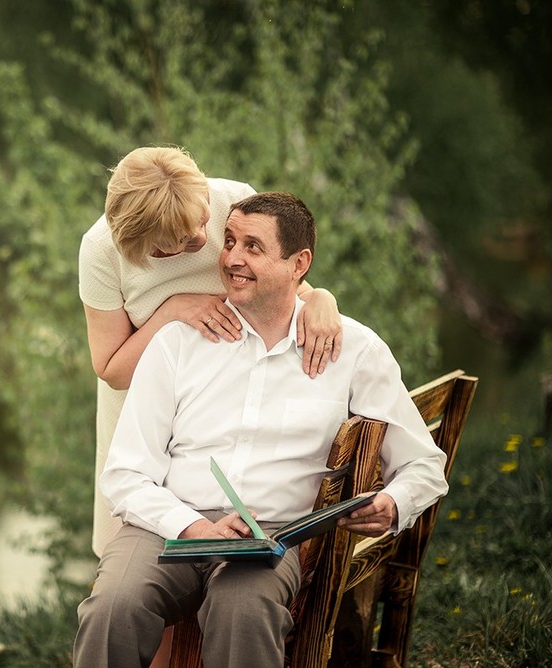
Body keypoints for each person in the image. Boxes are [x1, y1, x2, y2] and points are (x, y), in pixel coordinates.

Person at [73, 192, 449, 668]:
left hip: (271, 538)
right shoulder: (177, 341)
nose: (231, 257)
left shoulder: (354, 350)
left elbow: (424, 464)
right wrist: (195, 528)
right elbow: (125, 473)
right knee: (112, 607)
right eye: (228, 241)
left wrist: (394, 504)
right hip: (167, 527)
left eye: (253, 246)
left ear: (299, 263)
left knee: (242, 611)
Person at [79, 146, 343, 559]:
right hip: (145, 414)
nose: (204, 240)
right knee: (142, 555)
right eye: (181, 243)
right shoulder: (100, 251)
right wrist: (172, 310)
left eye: (203, 221)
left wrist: (323, 298)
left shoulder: (231, 200)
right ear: (142, 245)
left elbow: (285, 281)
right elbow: (111, 368)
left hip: (226, 407)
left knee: (236, 548)